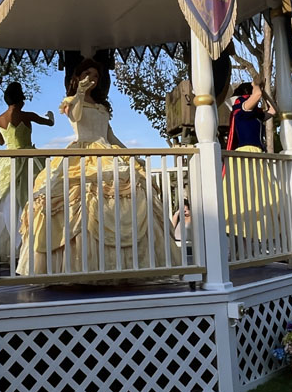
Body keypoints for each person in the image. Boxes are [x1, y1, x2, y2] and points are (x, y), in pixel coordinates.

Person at [17, 59, 181, 275]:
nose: (92, 79)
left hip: (107, 151)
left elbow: (109, 135)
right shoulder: (71, 100)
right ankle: (76, 265)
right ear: (77, 77)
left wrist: (131, 155)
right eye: (87, 74)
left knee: (132, 193)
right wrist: (80, 93)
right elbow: (75, 117)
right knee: (79, 198)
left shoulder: (102, 106)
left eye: (95, 76)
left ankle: (126, 264)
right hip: (81, 152)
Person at [0, 82, 54, 257]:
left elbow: (0, 142)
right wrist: (50, 115)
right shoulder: (27, 116)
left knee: (6, 200)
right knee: (32, 196)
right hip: (29, 160)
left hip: (7, 162)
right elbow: (49, 123)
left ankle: (11, 243)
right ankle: (29, 240)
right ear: (21, 99)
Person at [223, 78, 278, 253]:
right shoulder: (242, 109)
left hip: (256, 156)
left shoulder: (255, 114)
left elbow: (274, 110)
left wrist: (264, 93)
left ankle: (250, 250)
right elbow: (257, 94)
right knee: (244, 198)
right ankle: (244, 249)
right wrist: (257, 86)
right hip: (245, 155)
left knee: (259, 197)